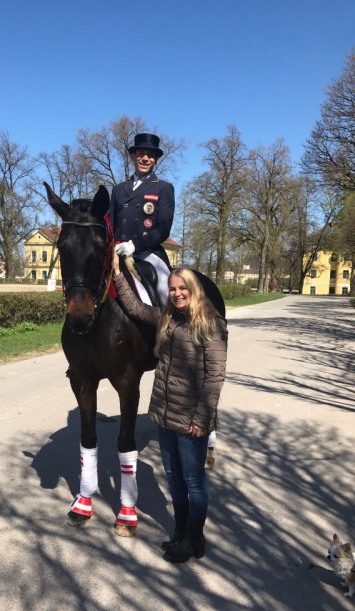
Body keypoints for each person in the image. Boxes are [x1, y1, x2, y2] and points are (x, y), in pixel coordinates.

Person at [112, 249, 228, 563]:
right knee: (174, 477)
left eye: (182, 289)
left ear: (194, 291)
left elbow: (215, 377)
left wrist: (203, 419)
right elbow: (136, 309)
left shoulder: (211, 325)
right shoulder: (167, 318)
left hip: (192, 419)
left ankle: (193, 537)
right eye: (173, 288)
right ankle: (181, 532)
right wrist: (119, 275)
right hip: (164, 414)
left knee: (193, 481)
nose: (177, 293)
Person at [109, 133, 175, 304]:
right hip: (117, 253)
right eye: (141, 154)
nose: (145, 158)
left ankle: (172, 329)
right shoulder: (118, 189)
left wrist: (134, 246)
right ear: (133, 156)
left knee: (167, 292)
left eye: (150, 155)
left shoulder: (163, 188)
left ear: (155, 160)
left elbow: (163, 228)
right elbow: (111, 224)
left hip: (148, 253)